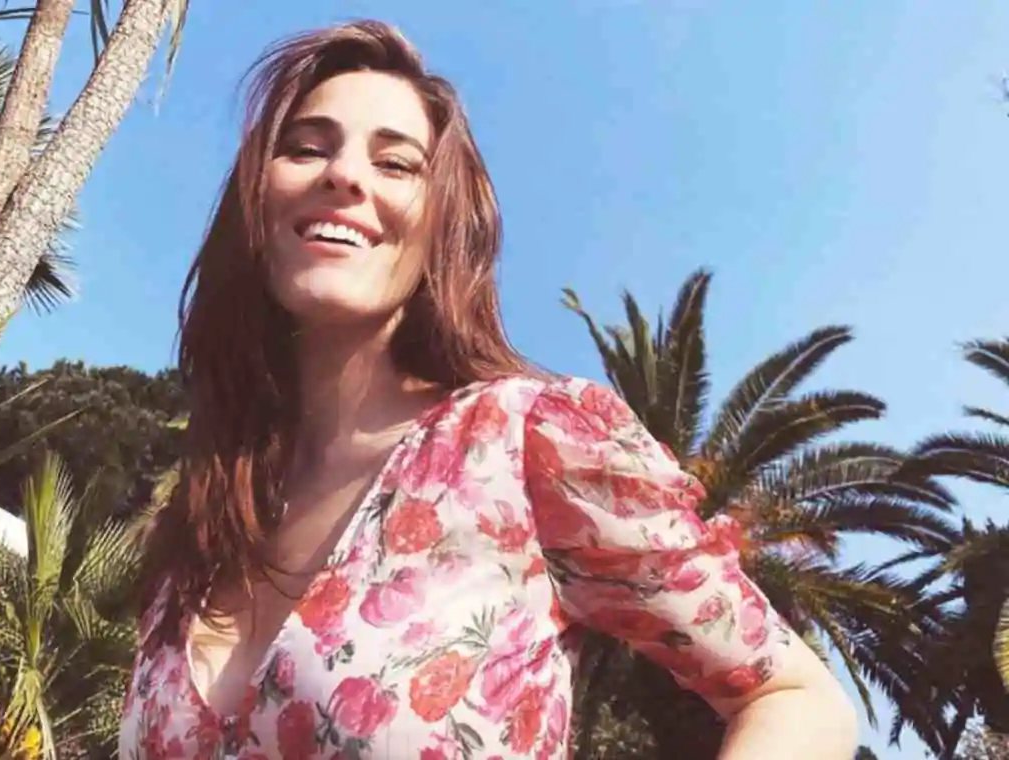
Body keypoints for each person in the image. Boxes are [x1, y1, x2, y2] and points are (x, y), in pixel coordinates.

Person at [121, 19, 858, 760]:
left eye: (396, 164)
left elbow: (797, 699)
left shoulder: (523, 441)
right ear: (255, 198)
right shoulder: (202, 522)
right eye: (306, 148)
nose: (343, 175)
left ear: (444, 226)